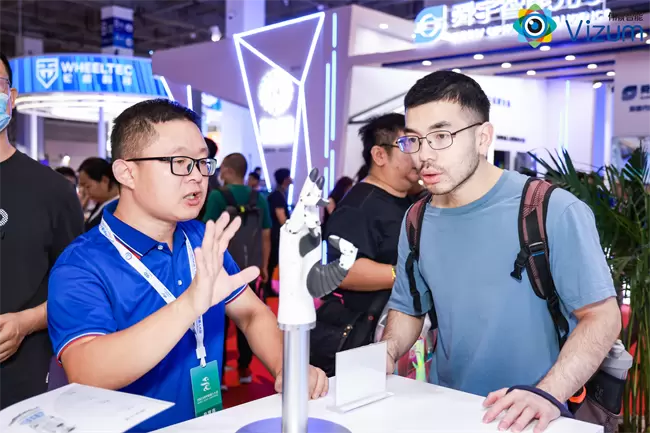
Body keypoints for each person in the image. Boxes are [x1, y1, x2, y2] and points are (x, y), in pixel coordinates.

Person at [47, 99, 327, 432]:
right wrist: (190, 304)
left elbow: (251, 314)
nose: (197, 177)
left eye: (202, 162)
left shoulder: (199, 238)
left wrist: (285, 367)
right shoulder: (81, 265)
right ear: (127, 172)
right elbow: (87, 371)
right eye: (179, 162)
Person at [381, 71, 621, 433]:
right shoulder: (417, 218)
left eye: (441, 136)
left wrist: (547, 394)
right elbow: (408, 306)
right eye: (414, 140)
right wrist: (386, 351)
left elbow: (602, 317)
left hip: (536, 416)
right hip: (448, 407)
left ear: (483, 137)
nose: (424, 155)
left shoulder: (550, 209)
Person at [0, 51, 84, 410]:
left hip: (22, 386)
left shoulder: (52, 191)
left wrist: (25, 322)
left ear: (11, 97)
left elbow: (79, 289)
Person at [310, 113, 419, 376]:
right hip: (363, 336)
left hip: (394, 334)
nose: (418, 155)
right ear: (380, 155)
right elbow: (344, 271)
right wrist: (408, 274)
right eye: (408, 145)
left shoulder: (407, 200)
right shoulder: (359, 205)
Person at [202, 152, 272, 385]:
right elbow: (266, 235)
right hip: (251, 267)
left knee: (218, 322)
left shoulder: (217, 196)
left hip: (222, 268)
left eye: (222, 167)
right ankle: (244, 369)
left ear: (229, 170)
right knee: (249, 317)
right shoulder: (259, 198)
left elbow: (206, 231)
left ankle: (219, 376)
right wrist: (264, 265)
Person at [263, 168, 292, 298]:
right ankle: (267, 287)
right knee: (272, 261)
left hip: (275, 233)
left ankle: (267, 286)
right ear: (285, 179)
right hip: (275, 234)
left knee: (273, 261)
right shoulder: (278, 196)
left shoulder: (279, 194)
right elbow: (281, 217)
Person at [78, 157, 119, 231]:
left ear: (105, 181)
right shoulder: (101, 204)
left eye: (88, 186)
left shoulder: (116, 208)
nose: (86, 192)